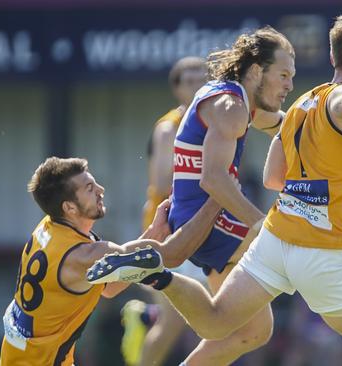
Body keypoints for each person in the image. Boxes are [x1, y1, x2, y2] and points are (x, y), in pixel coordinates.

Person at [88, 6, 342, 366]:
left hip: (275, 242)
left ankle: (157, 272)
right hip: (308, 248)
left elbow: (276, 176)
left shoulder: (302, 106)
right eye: (283, 74)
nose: (289, 82)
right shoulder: (338, 100)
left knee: (218, 322)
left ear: (332, 56)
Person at [0, 157, 220, 366]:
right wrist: (216, 201)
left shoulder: (49, 225)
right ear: (69, 207)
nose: (100, 190)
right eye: (89, 188)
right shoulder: (85, 255)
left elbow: (109, 288)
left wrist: (154, 232)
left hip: (16, 356)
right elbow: (172, 254)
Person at [121, 56, 209, 366]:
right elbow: (161, 182)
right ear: (177, 89)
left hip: (201, 233)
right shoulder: (169, 128)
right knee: (176, 324)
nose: (198, 83)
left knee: (213, 318)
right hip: (171, 235)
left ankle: (146, 316)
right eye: (190, 79)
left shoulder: (215, 121)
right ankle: (146, 321)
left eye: (204, 77)